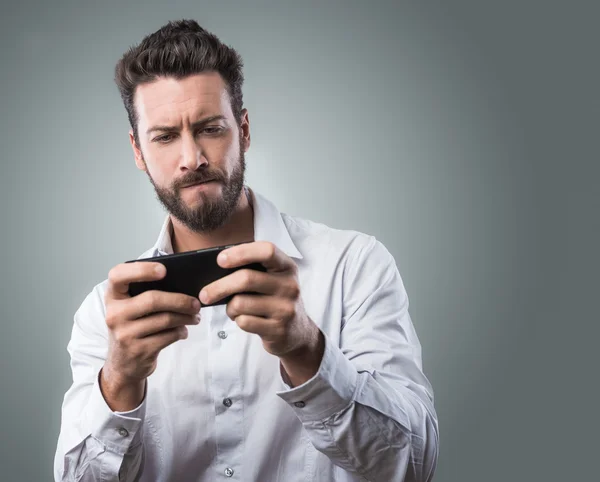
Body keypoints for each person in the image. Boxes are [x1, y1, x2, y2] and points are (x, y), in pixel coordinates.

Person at [54, 19, 439, 482]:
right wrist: (118, 381)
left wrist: (307, 352)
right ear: (138, 151)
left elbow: (414, 466)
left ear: (244, 129)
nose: (192, 158)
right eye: (164, 137)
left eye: (210, 129)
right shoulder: (105, 314)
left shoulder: (355, 266)